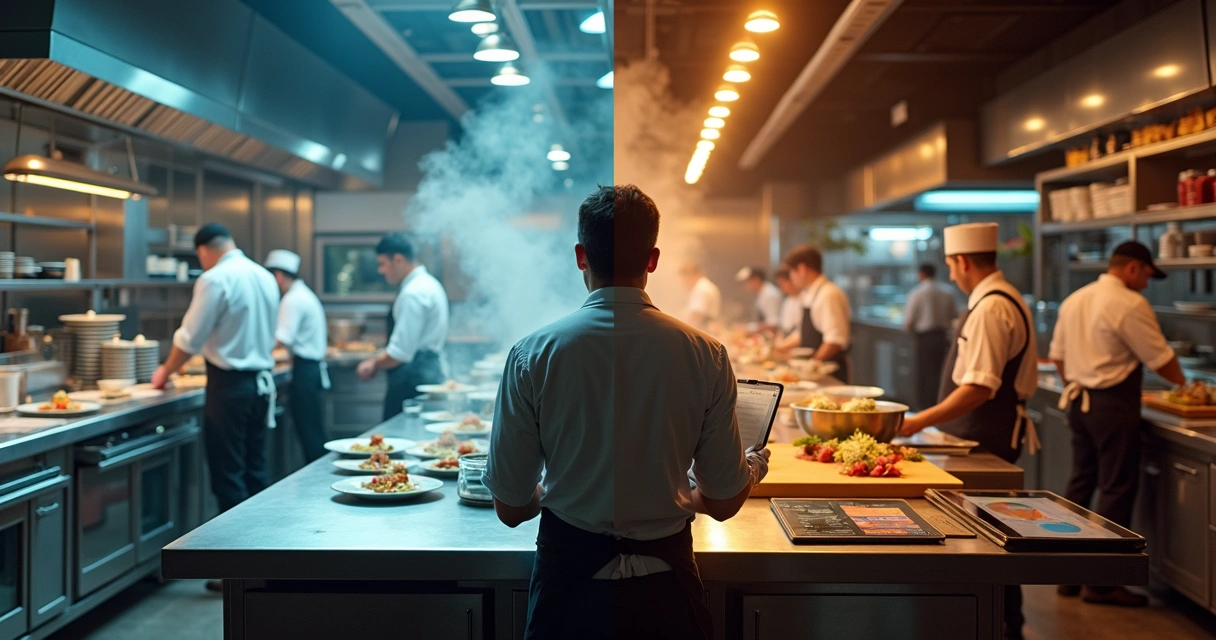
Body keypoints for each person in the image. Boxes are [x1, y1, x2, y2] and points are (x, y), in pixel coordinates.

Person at [484, 185, 771, 640]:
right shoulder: (706, 354)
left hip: (567, 593)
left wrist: (566, 488)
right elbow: (723, 503)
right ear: (652, 260)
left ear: (581, 256)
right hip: (668, 597)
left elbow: (511, 508)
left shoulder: (531, 354)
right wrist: (747, 470)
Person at [898, 222, 1038, 640]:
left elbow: (979, 387)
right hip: (976, 436)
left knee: (990, 544)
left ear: (961, 262)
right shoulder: (998, 298)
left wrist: (917, 423)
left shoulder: (993, 307)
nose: (951, 273)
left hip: (983, 439)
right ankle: (1001, 623)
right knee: (991, 538)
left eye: (951, 265)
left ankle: (1003, 626)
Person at [1050, 241, 1184, 607]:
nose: (1147, 284)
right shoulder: (1128, 303)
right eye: (1146, 275)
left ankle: (1066, 576)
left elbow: (1059, 358)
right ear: (1132, 269)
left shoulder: (1076, 298)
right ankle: (1103, 584)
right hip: (1112, 406)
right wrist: (1186, 387)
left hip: (1078, 402)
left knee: (1080, 486)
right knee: (1116, 489)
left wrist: (1080, 384)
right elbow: (1161, 360)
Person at [151, 225, 277, 591]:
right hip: (260, 385)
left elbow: (190, 338)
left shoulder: (214, 278)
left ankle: (238, 573)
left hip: (230, 386)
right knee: (256, 473)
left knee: (229, 475)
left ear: (204, 251)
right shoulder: (263, 275)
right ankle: (264, 563)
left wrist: (165, 371)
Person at [356, 232, 449, 421]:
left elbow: (400, 353)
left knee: (400, 438)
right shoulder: (430, 284)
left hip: (411, 380)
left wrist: (373, 363)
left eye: (382, 263)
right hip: (429, 373)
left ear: (397, 260)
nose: (381, 270)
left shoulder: (412, 293)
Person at [265, 249, 330, 464]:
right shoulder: (304, 295)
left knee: (309, 432)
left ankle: (316, 484)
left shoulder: (292, 300)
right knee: (313, 429)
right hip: (310, 370)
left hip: (305, 371)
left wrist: (258, 351)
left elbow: (282, 337)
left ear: (279, 276)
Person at [778, 245, 853, 382]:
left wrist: (810, 366)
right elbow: (803, 334)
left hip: (829, 373)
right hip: (814, 373)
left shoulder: (828, 294)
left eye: (791, 272)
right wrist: (779, 348)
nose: (791, 277)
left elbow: (835, 341)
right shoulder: (809, 294)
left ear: (801, 269)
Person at [903, 263, 957, 333]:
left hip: (924, 335)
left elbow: (910, 319)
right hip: (943, 335)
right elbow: (954, 315)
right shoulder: (948, 292)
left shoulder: (916, 293)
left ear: (922, 274)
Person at [678, 261, 721, 329]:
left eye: (684, 278)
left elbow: (697, 315)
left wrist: (682, 328)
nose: (683, 282)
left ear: (691, 275)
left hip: (702, 329)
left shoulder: (701, 289)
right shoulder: (703, 286)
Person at [774, 265, 802, 340]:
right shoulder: (788, 300)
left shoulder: (805, 300)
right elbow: (783, 329)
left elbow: (800, 333)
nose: (781, 287)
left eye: (782, 283)